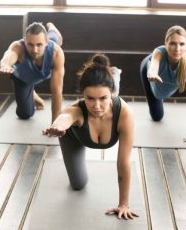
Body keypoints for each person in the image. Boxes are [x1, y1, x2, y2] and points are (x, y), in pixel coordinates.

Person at [43, 53, 138, 220]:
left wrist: (124, 204)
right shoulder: (76, 109)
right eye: (90, 99)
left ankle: (114, 76)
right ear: (83, 95)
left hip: (114, 101)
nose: (97, 106)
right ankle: (111, 80)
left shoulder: (125, 114)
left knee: (114, 95)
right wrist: (57, 126)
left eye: (103, 98)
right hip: (72, 136)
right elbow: (66, 117)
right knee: (78, 185)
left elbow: (123, 162)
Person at [140, 25, 186, 144]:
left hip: (165, 83)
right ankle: (149, 61)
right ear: (166, 43)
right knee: (157, 117)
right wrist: (152, 73)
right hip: (149, 72)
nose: (177, 48)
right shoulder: (159, 52)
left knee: (161, 99)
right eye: (173, 43)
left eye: (182, 44)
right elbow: (154, 66)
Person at [0, 22, 65, 123]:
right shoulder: (18, 46)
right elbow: (9, 55)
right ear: (25, 41)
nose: (34, 50)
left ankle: (51, 27)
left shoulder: (56, 52)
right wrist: (5, 65)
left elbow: (57, 92)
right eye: (30, 44)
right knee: (25, 114)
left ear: (46, 42)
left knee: (56, 38)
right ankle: (31, 92)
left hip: (43, 71)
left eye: (39, 45)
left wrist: (55, 124)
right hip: (23, 78)